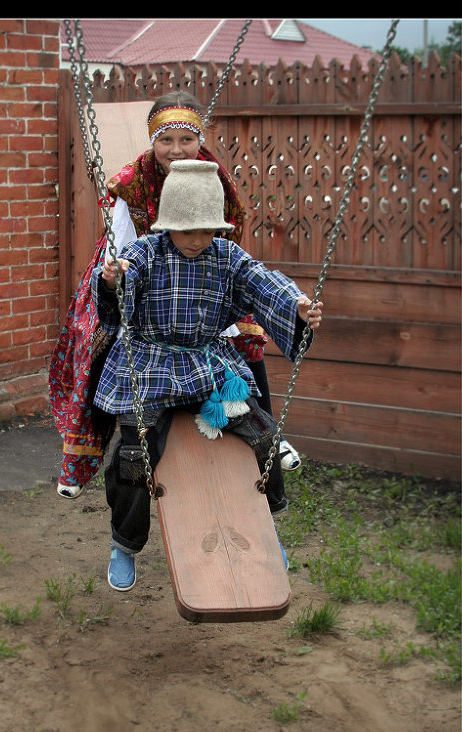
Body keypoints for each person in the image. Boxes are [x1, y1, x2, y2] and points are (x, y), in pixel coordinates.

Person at [49, 90, 301, 501]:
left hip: (204, 280)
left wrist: (224, 298)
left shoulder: (215, 179)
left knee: (249, 342)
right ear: (152, 142)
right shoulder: (131, 185)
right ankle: (81, 458)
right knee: (98, 345)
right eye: (166, 140)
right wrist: (122, 278)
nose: (177, 149)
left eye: (187, 139)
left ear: (200, 140)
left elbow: (230, 243)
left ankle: (264, 434)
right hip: (145, 282)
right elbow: (123, 247)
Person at [91, 160, 323, 591]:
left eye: (207, 230)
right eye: (187, 230)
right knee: (134, 455)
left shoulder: (227, 256)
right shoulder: (146, 252)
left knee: (262, 434)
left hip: (206, 366)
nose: (197, 240)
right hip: (149, 366)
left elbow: (264, 281)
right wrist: (113, 281)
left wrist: (297, 305)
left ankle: (266, 528)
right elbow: (121, 282)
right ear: (167, 225)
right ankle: (124, 541)